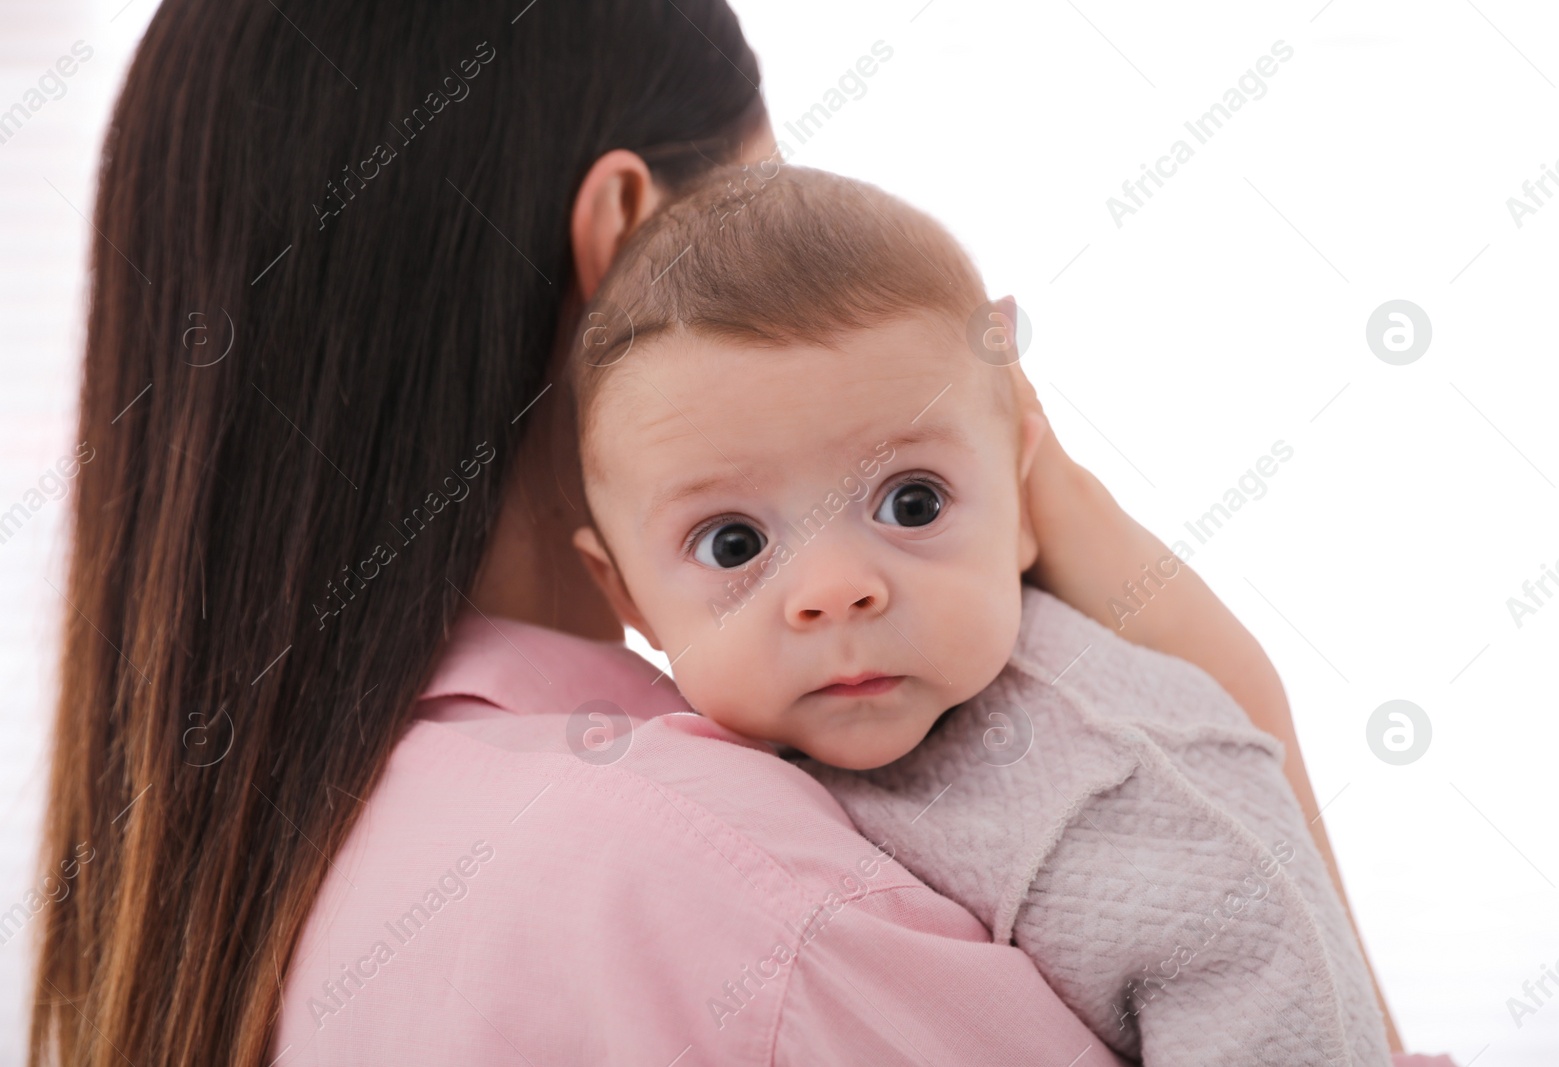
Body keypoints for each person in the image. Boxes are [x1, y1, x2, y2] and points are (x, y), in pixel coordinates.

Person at [32, 1, 1391, 1064]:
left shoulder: (256, 862)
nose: (836, 585)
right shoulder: (740, 891)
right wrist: (1243, 725)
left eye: (909, 501)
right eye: (758, 204)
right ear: (627, 233)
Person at [557, 162, 1411, 1064]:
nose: (836, 589)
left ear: (1020, 500)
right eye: (734, 544)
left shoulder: (1125, 798)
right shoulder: (655, 786)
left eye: (912, 502)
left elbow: (1300, 1014)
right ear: (626, 596)